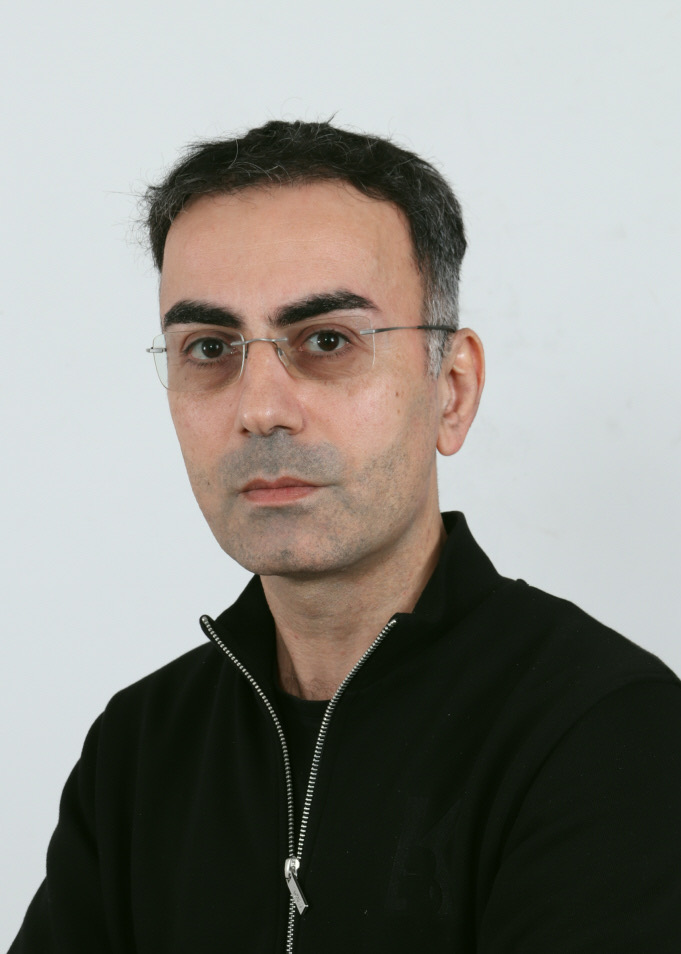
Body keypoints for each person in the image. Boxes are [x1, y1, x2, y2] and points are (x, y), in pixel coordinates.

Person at [10, 120, 681, 953]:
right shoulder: (140, 747)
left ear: (451, 389)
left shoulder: (605, 732)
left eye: (326, 340)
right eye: (209, 348)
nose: (260, 408)